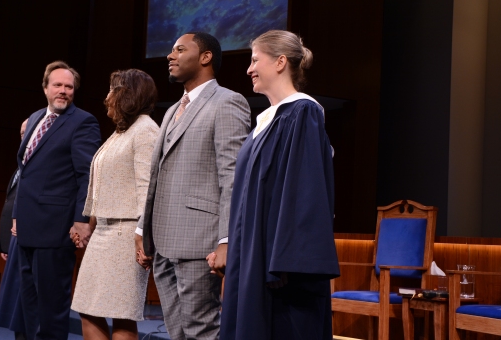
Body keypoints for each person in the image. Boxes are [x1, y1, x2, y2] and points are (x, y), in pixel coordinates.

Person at [219, 30, 340, 340]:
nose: (249, 69)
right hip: (253, 257)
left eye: (255, 60)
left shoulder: (303, 112)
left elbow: (305, 192)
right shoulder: (266, 121)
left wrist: (283, 262)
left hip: (280, 268)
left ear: (280, 62)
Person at [135, 32, 251, 340]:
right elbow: (156, 178)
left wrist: (227, 239)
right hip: (162, 240)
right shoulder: (173, 109)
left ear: (205, 57)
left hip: (200, 240)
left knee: (201, 330)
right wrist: (142, 230)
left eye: (179, 50)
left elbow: (232, 176)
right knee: (178, 332)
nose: (170, 56)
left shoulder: (228, 102)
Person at [13, 61, 101, 340]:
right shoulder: (35, 117)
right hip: (27, 227)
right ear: (45, 88)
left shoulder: (83, 121)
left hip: (56, 229)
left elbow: (87, 175)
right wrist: (16, 214)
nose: (63, 91)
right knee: (28, 306)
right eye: (58, 85)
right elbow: (25, 174)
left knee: (50, 309)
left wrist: (82, 220)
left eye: (69, 87)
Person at [71, 69, 159, 340]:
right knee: (88, 308)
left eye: (113, 90)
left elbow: (148, 190)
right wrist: (90, 223)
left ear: (128, 95)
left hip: (126, 235)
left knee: (121, 314)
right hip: (105, 233)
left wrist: (142, 237)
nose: (107, 97)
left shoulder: (145, 130)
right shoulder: (122, 132)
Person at [0, 119, 28, 340]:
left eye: (29, 131)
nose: (25, 135)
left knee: (23, 300)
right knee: (15, 299)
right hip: (13, 241)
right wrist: (4, 243)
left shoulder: (36, 164)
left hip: (28, 240)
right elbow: (10, 205)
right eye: (22, 132)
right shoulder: (19, 165)